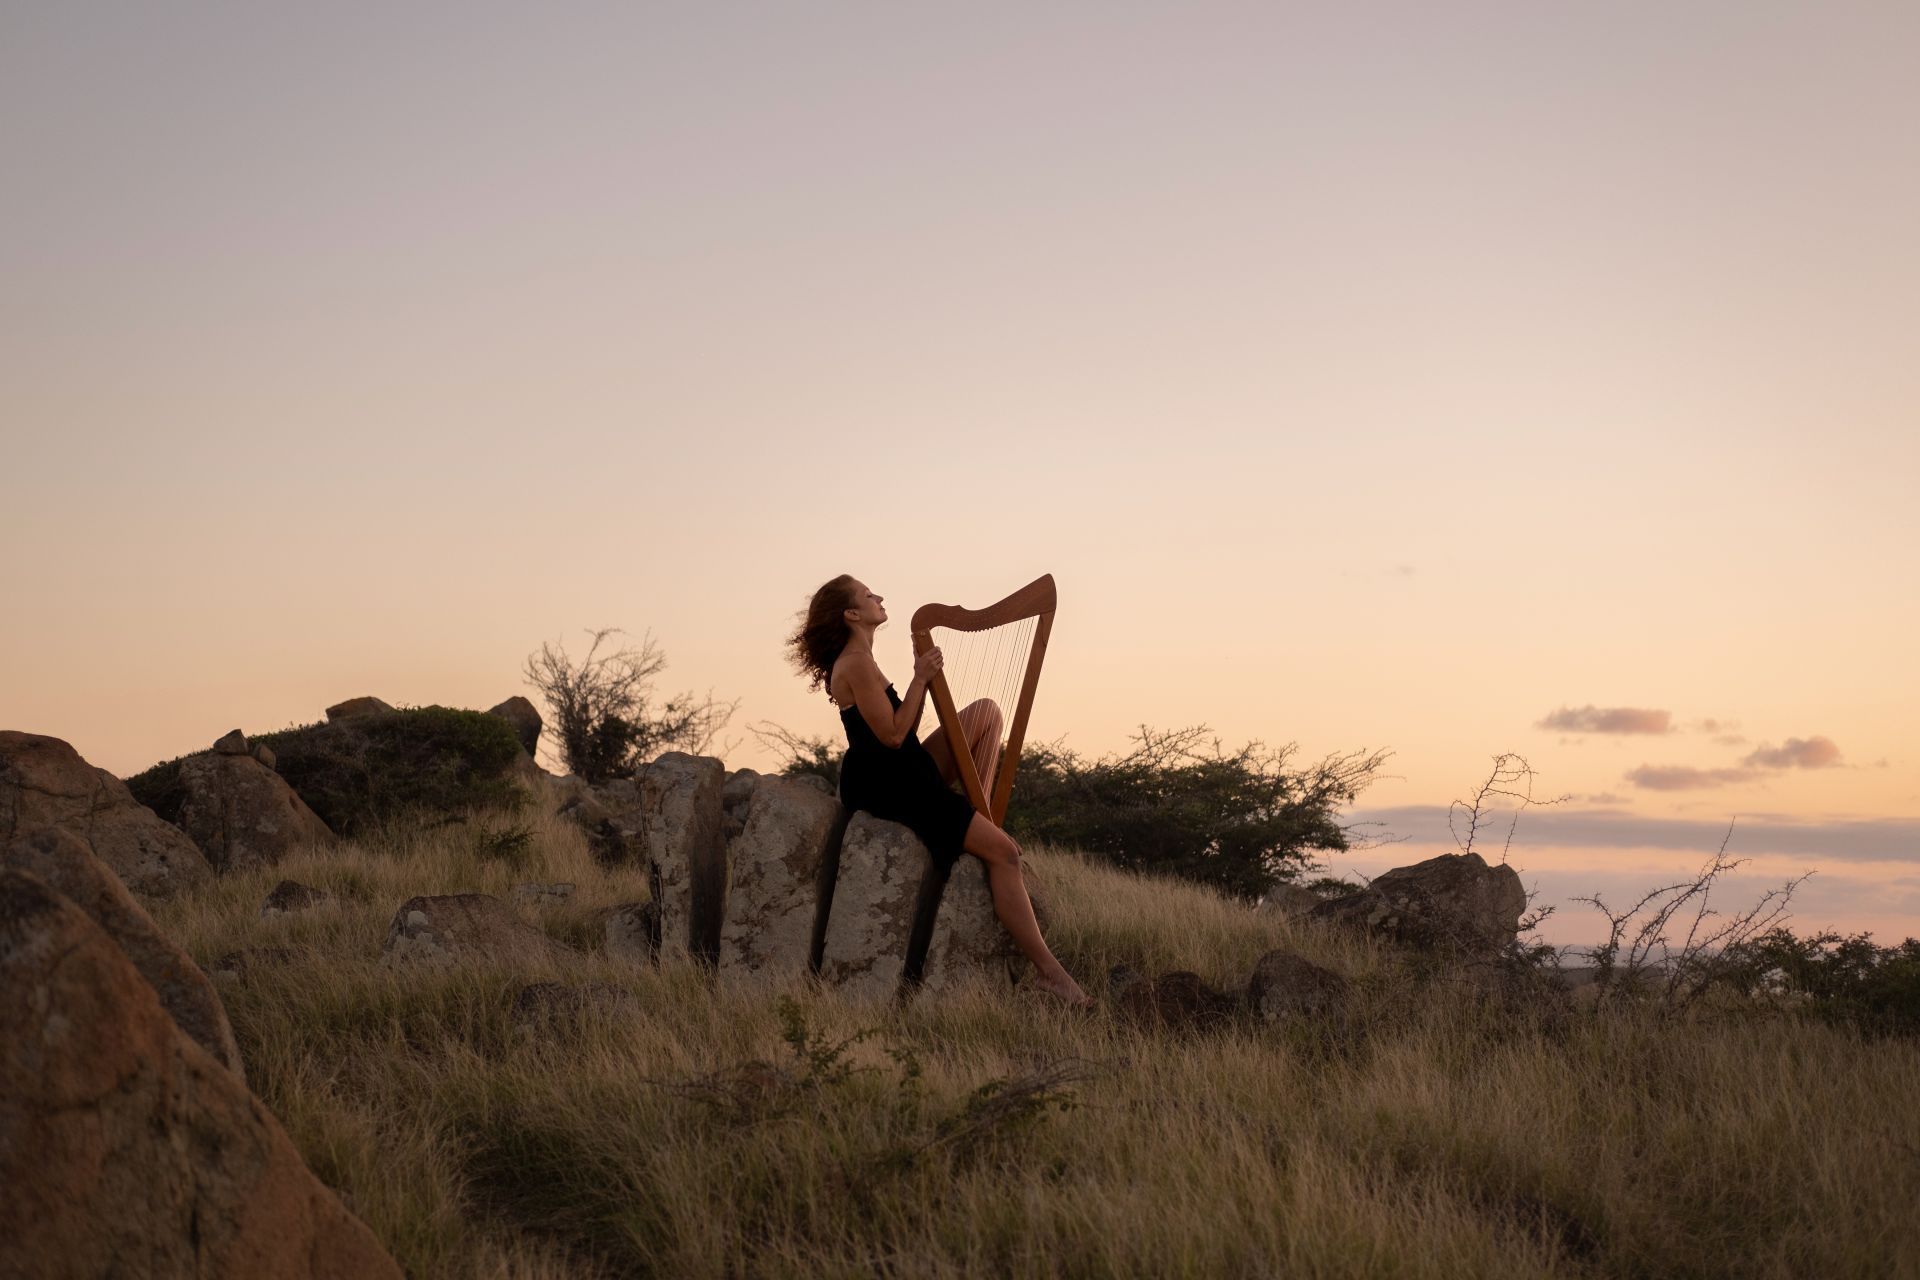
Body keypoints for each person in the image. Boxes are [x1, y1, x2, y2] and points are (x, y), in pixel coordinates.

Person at [785, 574, 1092, 1007]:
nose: (880, 596)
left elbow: (900, 729)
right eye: (869, 594)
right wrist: (919, 678)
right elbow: (892, 734)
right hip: (893, 784)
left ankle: (977, 819)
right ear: (852, 614)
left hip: (901, 767)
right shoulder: (854, 661)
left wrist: (924, 679)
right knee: (1005, 854)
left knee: (986, 713)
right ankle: (1051, 974)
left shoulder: (860, 656)